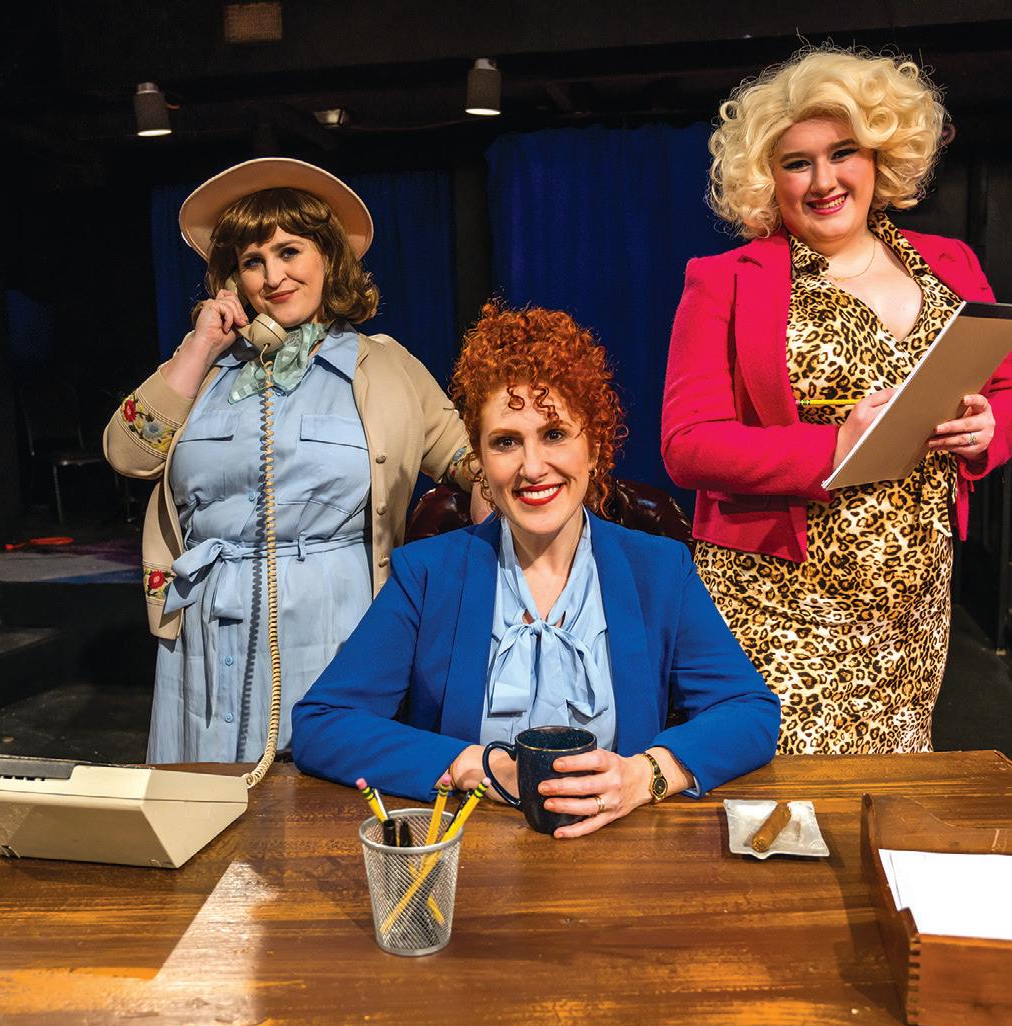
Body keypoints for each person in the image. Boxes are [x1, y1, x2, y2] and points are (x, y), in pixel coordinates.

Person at [661, 48, 1012, 755]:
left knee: (891, 791)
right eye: (796, 162)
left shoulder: (950, 264)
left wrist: (991, 429)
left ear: (879, 156)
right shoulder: (726, 279)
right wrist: (832, 445)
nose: (824, 180)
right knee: (782, 795)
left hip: (911, 604)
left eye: (843, 153)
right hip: (778, 599)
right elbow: (687, 444)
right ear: (766, 176)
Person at [292, 304, 780, 837]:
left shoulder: (658, 569)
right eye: (505, 441)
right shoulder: (428, 574)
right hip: (471, 852)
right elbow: (322, 724)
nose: (531, 467)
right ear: (479, 459)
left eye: (554, 434)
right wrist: (472, 766)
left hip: (624, 853)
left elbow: (749, 711)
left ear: (594, 447)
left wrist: (646, 776)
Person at [104, 158, 475, 764]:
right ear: (233, 278)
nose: (273, 276)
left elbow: (465, 453)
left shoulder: (383, 365)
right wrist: (201, 345)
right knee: (204, 799)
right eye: (253, 261)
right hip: (205, 632)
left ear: (328, 257)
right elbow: (127, 454)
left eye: (289, 251)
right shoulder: (203, 370)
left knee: (319, 798)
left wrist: (493, 487)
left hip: (336, 623)